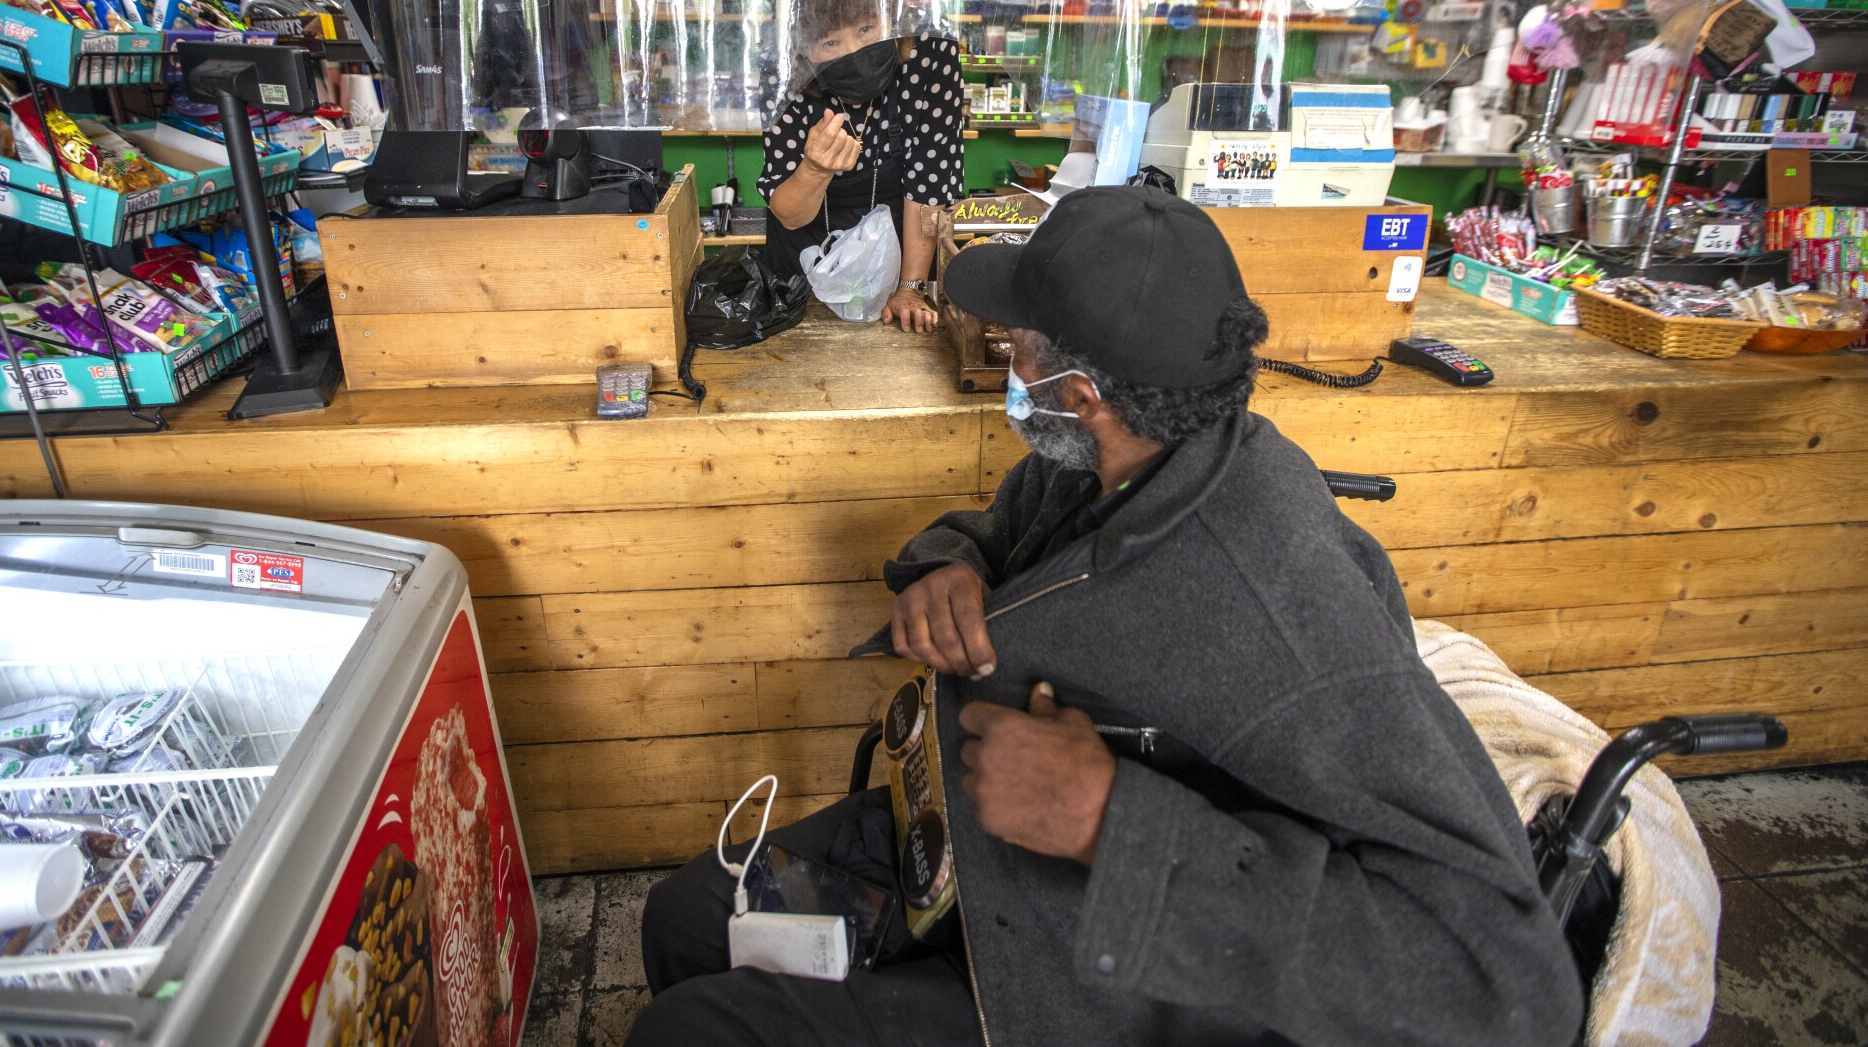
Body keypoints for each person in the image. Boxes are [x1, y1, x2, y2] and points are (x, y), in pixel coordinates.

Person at [627, 186, 1583, 1047]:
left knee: (692, 1033)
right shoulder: (1118, 454)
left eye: (1020, 343)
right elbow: (991, 531)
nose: (1010, 354)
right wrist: (945, 565)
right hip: (971, 853)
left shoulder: (1280, 602)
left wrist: (1111, 824)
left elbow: (1508, 986)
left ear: (1079, 393)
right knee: (682, 919)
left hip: (1086, 976)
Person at [759, 0, 962, 333]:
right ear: (801, 47)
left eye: (867, 29)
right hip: (804, 269)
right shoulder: (781, 69)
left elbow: (932, 181)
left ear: (892, 15)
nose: (854, 51)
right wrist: (814, 169)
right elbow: (787, 212)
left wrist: (909, 288)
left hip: (902, 254)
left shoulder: (930, 50)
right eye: (830, 42)